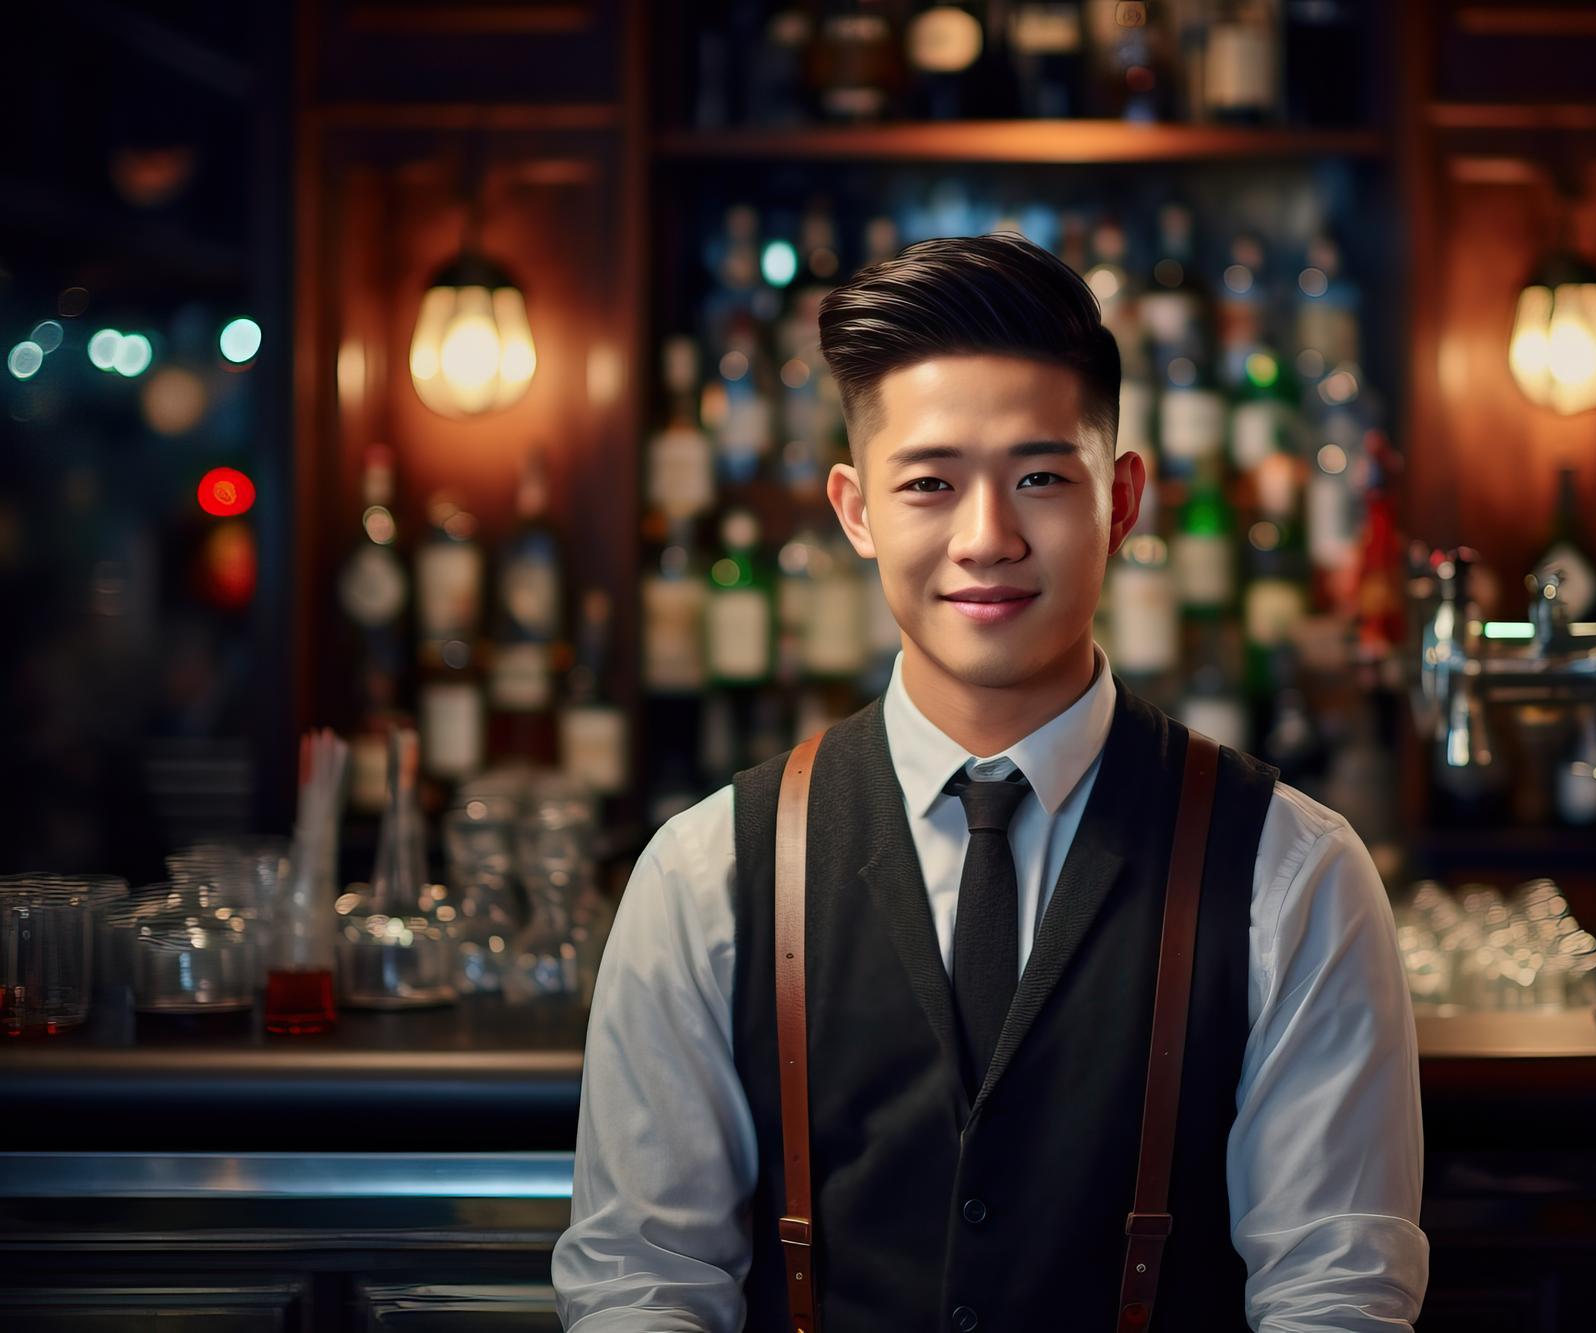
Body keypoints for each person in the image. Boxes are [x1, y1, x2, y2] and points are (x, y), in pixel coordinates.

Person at [553, 232, 1426, 1331]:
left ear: (1118, 500)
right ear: (855, 510)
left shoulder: (1290, 869)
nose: (986, 537)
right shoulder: (706, 872)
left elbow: (1333, 1295)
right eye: (928, 483)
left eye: (1037, 479)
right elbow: (645, 1283)